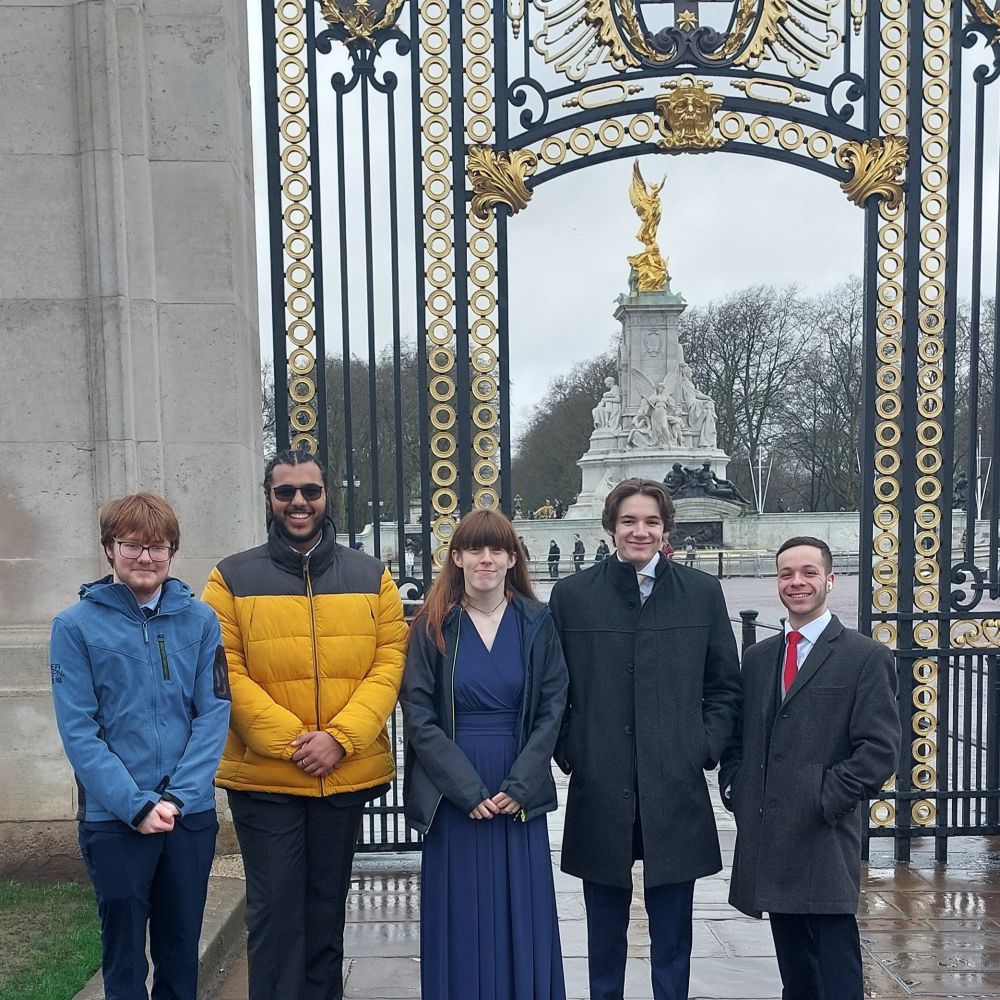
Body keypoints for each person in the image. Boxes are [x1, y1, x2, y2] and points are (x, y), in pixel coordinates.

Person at [203, 449, 407, 1000]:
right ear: (269, 498)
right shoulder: (231, 577)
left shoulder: (371, 574)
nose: (298, 502)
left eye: (310, 492)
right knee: (274, 914)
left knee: (325, 912)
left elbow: (390, 661)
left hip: (341, 776)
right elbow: (224, 667)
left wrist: (340, 740)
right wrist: (295, 743)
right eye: (286, 492)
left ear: (326, 497)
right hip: (268, 778)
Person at [549, 479, 741, 1000]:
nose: (641, 531)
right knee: (604, 930)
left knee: (673, 931)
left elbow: (723, 685)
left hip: (674, 783)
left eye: (651, 521)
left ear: (665, 528)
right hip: (602, 782)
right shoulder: (572, 597)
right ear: (611, 527)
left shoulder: (701, 593)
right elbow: (554, 687)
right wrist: (574, 751)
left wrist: (702, 746)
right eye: (630, 521)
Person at [50, 493, 231, 1000]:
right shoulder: (74, 627)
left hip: (187, 817)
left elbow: (214, 712)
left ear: (172, 550)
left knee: (179, 953)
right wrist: (137, 805)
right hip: (115, 820)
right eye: (132, 545)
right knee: (125, 959)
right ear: (110, 549)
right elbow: (80, 731)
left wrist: (176, 797)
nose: (146, 558)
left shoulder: (200, 621)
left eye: (158, 546)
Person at [720, 537, 900, 1000]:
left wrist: (827, 795)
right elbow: (741, 737)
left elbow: (879, 749)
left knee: (835, 960)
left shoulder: (865, 656)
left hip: (824, 829)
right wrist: (736, 786)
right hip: (771, 831)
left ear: (829, 580)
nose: (796, 582)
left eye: (808, 572)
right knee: (794, 964)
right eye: (786, 574)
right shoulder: (760, 658)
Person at [400, 509, 569, 999]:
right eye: (475, 549)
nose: (486, 559)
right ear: (456, 557)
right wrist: (465, 789)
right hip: (456, 789)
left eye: (497, 549)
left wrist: (520, 785)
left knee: (521, 908)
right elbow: (418, 712)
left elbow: (552, 708)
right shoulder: (433, 625)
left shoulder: (538, 623)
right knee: (463, 909)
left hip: (518, 784)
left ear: (512, 558)